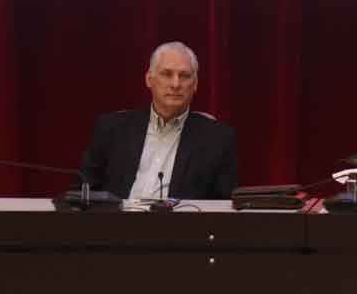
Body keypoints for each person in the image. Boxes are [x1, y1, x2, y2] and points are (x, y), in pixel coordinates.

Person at [79, 41, 238, 199]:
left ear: (195, 84)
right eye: (167, 74)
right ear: (149, 79)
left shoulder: (217, 139)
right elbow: (81, 192)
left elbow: (225, 207)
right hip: (114, 221)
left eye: (184, 76)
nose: (175, 84)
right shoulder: (112, 129)